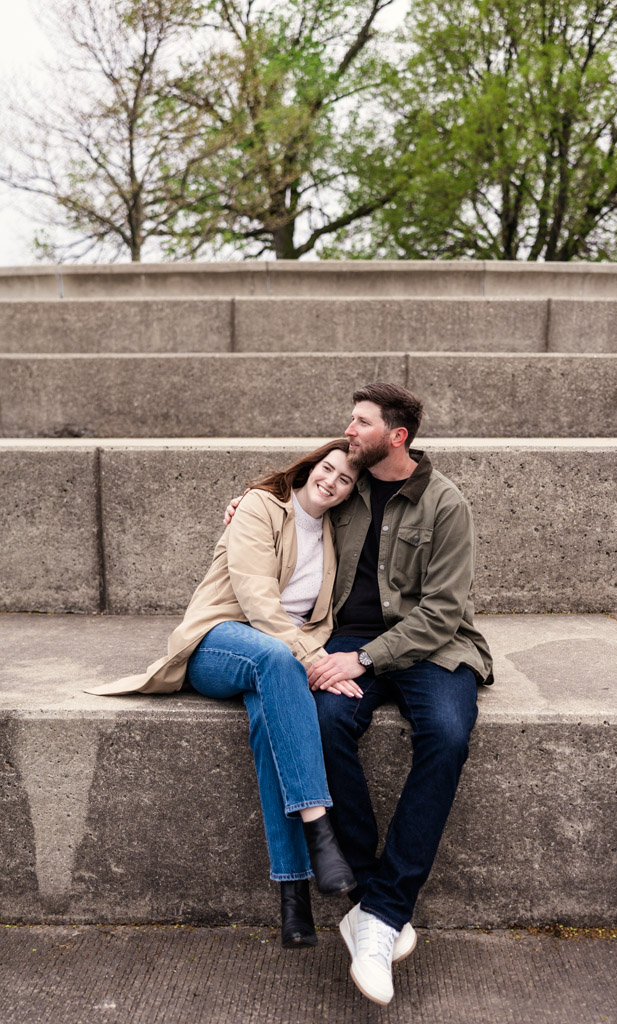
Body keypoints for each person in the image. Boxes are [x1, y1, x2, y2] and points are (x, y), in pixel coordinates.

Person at [226, 382, 494, 1006]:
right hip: (344, 636)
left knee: (449, 733)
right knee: (322, 720)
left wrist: (367, 656)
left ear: (396, 437)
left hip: (432, 647)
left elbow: (444, 611)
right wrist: (246, 505)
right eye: (350, 420)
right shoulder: (347, 482)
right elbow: (292, 498)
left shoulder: (446, 503)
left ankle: (380, 910)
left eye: (361, 422)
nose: (349, 430)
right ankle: (376, 905)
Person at [86, 439, 362, 949]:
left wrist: (315, 654)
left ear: (349, 493)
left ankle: (294, 898)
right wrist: (311, 659)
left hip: (277, 657)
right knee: (275, 661)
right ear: (309, 468)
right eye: (328, 469)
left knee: (267, 726)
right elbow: (257, 599)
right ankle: (321, 832)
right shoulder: (260, 506)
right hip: (219, 642)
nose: (332, 482)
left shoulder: (333, 533)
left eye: (345, 479)